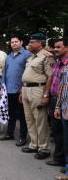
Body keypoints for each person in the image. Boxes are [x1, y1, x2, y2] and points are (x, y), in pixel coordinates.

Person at [21, 32, 55, 160]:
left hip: (38, 90)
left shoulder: (46, 57)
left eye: (32, 42)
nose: (29, 44)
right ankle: (34, 144)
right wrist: (21, 90)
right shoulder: (31, 57)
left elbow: (50, 76)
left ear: (39, 43)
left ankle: (44, 148)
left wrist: (46, 94)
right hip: (26, 89)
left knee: (40, 120)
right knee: (29, 119)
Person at [0, 34, 30, 147]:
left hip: (20, 90)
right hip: (8, 90)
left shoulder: (27, 55)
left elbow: (28, 73)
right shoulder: (9, 56)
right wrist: (2, 86)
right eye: (12, 42)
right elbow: (4, 72)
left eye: (16, 41)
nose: (14, 43)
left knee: (21, 115)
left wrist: (23, 88)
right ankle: (9, 133)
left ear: (21, 42)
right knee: (11, 114)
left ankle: (22, 137)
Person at [47, 38, 67, 167]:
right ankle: (59, 159)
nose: (55, 49)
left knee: (65, 133)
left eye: (59, 47)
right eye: (54, 47)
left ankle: (65, 163)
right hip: (55, 100)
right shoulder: (58, 62)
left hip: (64, 103)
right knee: (57, 131)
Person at [54, 37, 68, 180]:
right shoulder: (62, 65)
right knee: (64, 138)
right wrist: (58, 106)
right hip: (64, 107)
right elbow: (62, 87)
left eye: (59, 47)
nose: (56, 50)